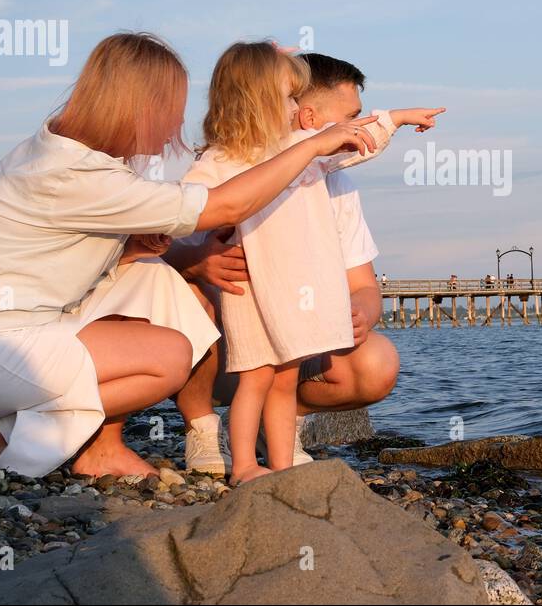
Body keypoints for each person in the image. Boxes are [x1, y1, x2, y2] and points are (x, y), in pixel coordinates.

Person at [0, 33, 372, 480]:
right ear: (139, 106)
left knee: (153, 277)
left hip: (7, 333)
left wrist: (139, 247)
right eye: (171, 110)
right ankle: (4, 429)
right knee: (168, 358)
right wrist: (311, 144)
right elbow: (225, 206)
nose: (178, 126)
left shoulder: (65, 151)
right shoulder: (78, 174)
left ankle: (100, 448)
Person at [180, 41, 442, 483]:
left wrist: (394, 119)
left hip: (291, 296)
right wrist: (198, 253)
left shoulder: (306, 152)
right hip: (246, 297)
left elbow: (359, 142)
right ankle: (237, 458)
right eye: (286, 98)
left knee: (281, 382)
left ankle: (281, 461)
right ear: (259, 102)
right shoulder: (219, 161)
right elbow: (181, 210)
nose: (295, 107)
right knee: (255, 379)